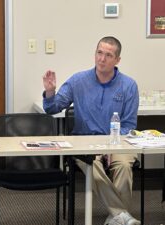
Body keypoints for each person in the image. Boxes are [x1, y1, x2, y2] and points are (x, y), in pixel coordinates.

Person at [42, 36, 140, 225]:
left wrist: (112, 147)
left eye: (108, 55)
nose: (102, 59)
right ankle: (121, 215)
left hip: (117, 142)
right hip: (83, 142)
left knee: (125, 165)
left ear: (117, 60)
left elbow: (128, 125)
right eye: (99, 53)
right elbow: (52, 108)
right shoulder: (78, 80)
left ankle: (115, 218)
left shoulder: (129, 85)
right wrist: (50, 92)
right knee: (90, 164)